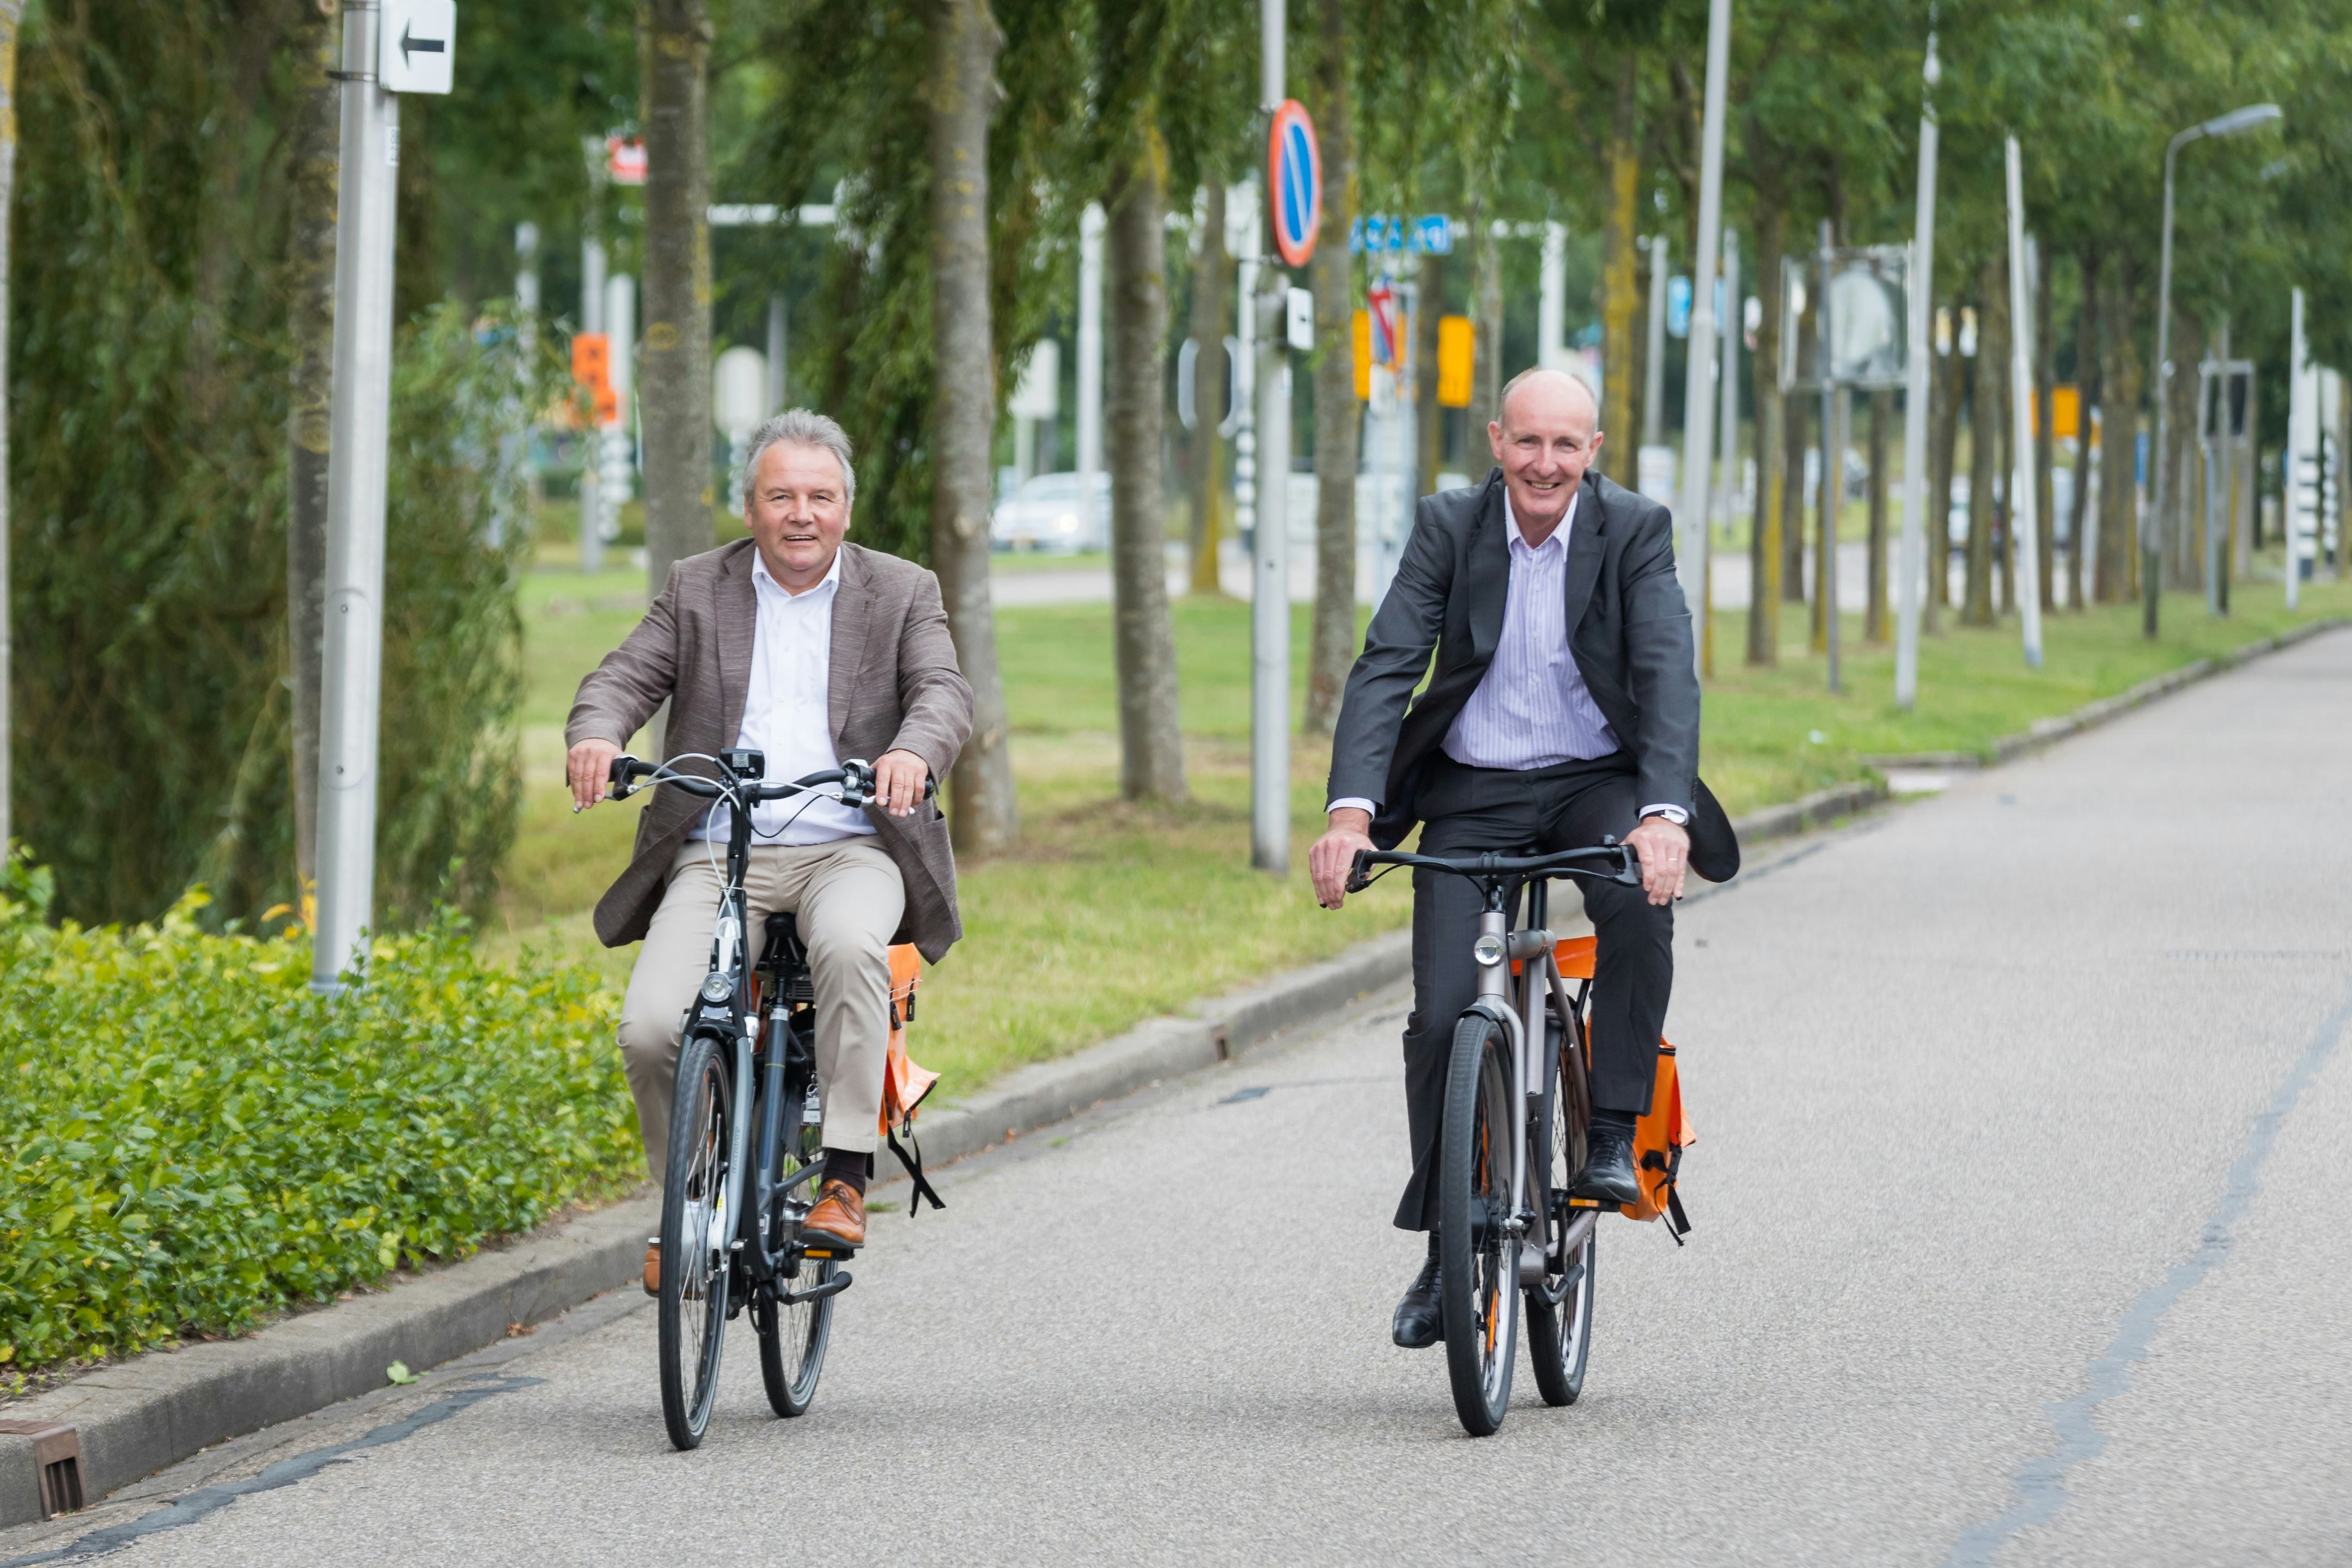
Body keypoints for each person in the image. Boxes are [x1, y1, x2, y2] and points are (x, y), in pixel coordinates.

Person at [1309, 368, 1738, 1350]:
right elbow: (1386, 665)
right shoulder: (1447, 527)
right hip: (1472, 789)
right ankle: (1447, 1243)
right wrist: (1350, 812)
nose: (1545, 463)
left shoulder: (1632, 530)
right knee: (1435, 1016)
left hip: (1596, 778)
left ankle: (1609, 1136)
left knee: (1634, 903)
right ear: (1496, 441)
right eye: (1528, 442)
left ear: (1595, 453)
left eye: (1566, 446)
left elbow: (1667, 670)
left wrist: (1663, 814)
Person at [566, 410, 973, 1290]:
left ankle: (843, 1179)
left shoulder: (902, 591)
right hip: (721, 847)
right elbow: (624, 677)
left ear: (846, 510)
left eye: (819, 497)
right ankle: (694, 1201)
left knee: (850, 948)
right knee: (648, 1027)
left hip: (849, 845)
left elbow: (942, 690)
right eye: (780, 495)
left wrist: (911, 752)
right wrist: (598, 735)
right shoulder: (696, 586)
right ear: (748, 507)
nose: (801, 514)